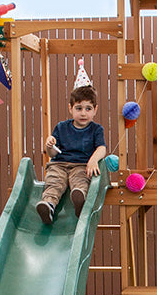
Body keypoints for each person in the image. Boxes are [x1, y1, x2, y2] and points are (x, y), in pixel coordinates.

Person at [37, 67, 106, 224]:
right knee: (54, 182)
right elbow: (52, 154)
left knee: (81, 180)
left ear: (95, 110)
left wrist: (93, 160)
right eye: (79, 108)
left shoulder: (96, 129)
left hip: (81, 165)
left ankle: (79, 199)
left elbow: (102, 148)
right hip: (59, 164)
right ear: (70, 108)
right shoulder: (61, 127)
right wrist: (49, 145)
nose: (83, 113)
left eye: (88, 109)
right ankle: (48, 206)